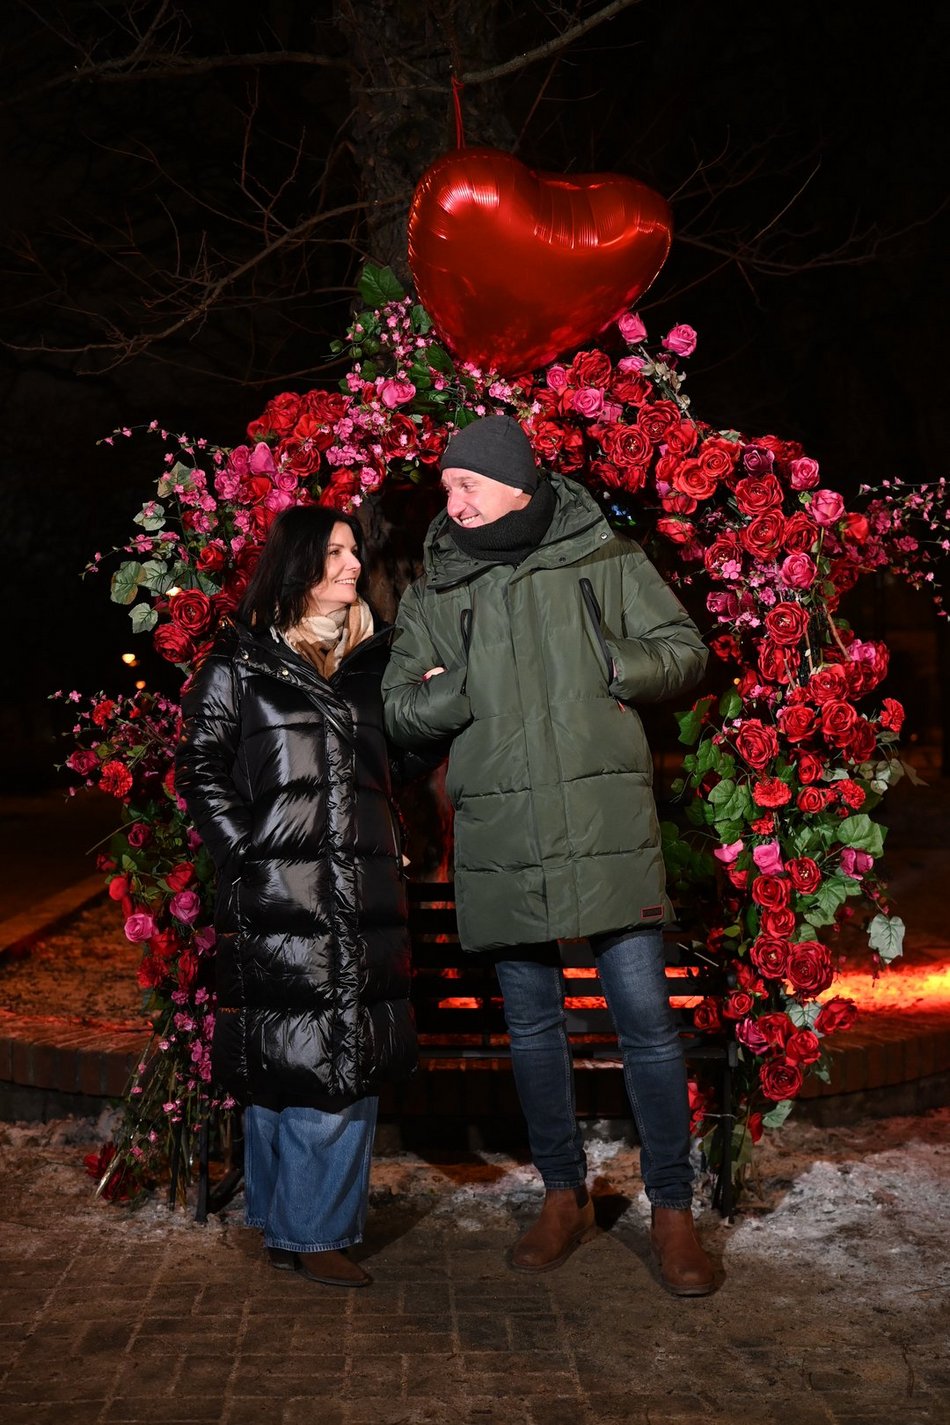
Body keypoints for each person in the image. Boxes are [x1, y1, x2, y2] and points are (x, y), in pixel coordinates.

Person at [381, 415, 715, 1296]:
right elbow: (397, 711)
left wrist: (614, 662)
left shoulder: (602, 557)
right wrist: (458, 686)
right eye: (447, 486)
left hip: (604, 826)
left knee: (646, 1022)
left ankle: (672, 1208)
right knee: (533, 1028)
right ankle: (563, 1195)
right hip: (501, 834)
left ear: (517, 485)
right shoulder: (437, 586)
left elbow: (685, 651)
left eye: (466, 483)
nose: (450, 499)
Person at [175, 505, 416, 1288]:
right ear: (297, 564)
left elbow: (392, 771)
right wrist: (247, 853)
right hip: (278, 893)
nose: (354, 566)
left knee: (333, 1055)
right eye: (337, 553)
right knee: (292, 1059)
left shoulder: (373, 666)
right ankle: (308, 1231)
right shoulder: (237, 666)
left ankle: (296, 1229)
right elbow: (199, 770)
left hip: (356, 892)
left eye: (355, 552)